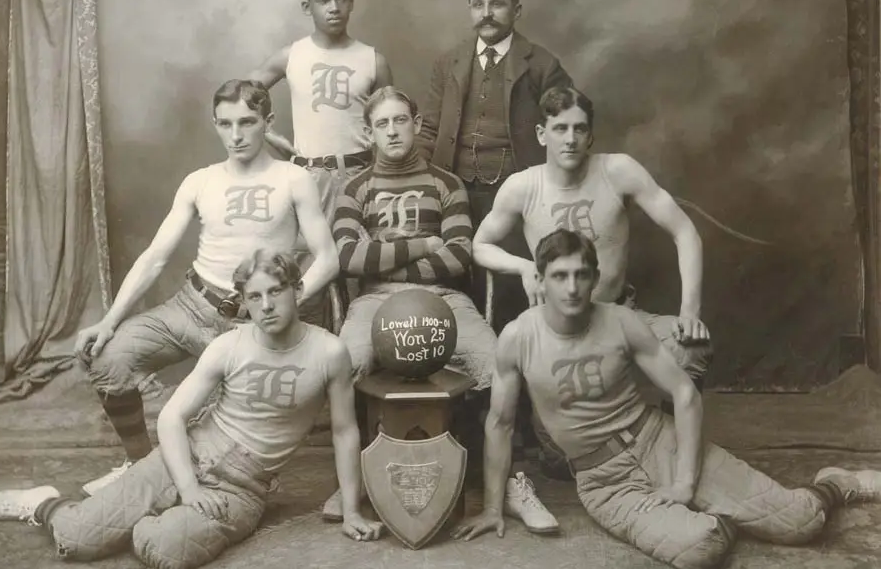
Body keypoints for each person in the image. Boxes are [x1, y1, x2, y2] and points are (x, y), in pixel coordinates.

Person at [453, 228, 881, 569]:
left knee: (801, 523)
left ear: (595, 278)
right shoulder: (518, 337)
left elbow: (683, 394)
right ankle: (723, 514)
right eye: (560, 276)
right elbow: (500, 423)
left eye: (582, 274)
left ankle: (837, 483)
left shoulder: (620, 321)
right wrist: (493, 506)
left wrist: (683, 480)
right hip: (605, 481)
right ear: (541, 281)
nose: (572, 287)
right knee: (701, 547)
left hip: (658, 441)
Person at [0, 250, 383, 569]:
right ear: (243, 303)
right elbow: (172, 417)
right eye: (255, 297)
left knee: (163, 549)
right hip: (187, 454)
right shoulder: (230, 345)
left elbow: (345, 432)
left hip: (242, 486)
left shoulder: (329, 351)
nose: (268, 305)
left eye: (276, 291)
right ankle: (44, 504)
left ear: (297, 289)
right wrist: (188, 488)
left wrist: (350, 511)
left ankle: (134, 515)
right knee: (78, 537)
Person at [73, 80, 339, 496]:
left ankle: (204, 480)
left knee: (228, 428)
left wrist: (288, 300)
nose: (236, 135)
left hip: (251, 326)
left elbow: (327, 256)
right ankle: (138, 463)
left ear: (268, 123)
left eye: (248, 122)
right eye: (225, 123)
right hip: (192, 306)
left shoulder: (293, 179)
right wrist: (109, 321)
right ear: (215, 124)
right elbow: (155, 256)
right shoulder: (200, 181)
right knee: (108, 356)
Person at [324, 86, 559, 533]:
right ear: (368, 132)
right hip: (374, 301)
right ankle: (350, 479)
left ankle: (509, 479)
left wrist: (394, 259)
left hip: (443, 300)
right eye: (382, 124)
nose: (392, 131)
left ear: (415, 124)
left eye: (400, 121)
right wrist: (421, 245)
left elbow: (457, 256)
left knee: (495, 360)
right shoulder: (354, 188)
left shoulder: (444, 184)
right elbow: (348, 258)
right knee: (344, 362)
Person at [473, 85, 712, 474]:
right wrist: (523, 267)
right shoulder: (523, 186)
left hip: (621, 320)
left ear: (591, 135)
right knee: (560, 459)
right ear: (541, 134)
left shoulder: (618, 171)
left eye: (579, 129)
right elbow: (479, 244)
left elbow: (685, 231)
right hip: (560, 340)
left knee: (691, 350)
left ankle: (678, 452)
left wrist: (689, 311)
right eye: (560, 128)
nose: (570, 139)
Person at [417, 0, 574, 330]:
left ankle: (512, 370)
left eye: (496, 4)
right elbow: (428, 128)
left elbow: (566, 127)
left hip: (517, 196)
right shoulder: (449, 63)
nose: (486, 13)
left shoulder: (543, 65)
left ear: (516, 10)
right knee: (453, 282)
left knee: (513, 290)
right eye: (478, 4)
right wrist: (424, 185)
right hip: (454, 193)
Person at [248, 0, 394, 221]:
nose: (334, 8)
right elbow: (239, 97)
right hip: (309, 176)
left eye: (340, 0)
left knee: (360, 254)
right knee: (307, 256)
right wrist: (270, 136)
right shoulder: (291, 56)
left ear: (351, 3)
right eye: (324, 1)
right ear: (307, 6)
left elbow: (391, 125)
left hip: (361, 174)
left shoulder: (373, 60)